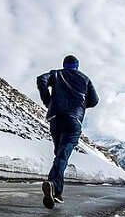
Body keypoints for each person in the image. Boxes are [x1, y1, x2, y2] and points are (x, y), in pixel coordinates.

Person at [36, 55, 99, 209]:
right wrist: (80, 104)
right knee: (62, 155)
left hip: (56, 118)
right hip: (73, 120)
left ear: (64, 65)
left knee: (59, 156)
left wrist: (48, 101)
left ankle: (56, 192)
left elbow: (41, 79)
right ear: (77, 66)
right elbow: (94, 101)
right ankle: (53, 185)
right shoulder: (85, 79)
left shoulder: (56, 74)